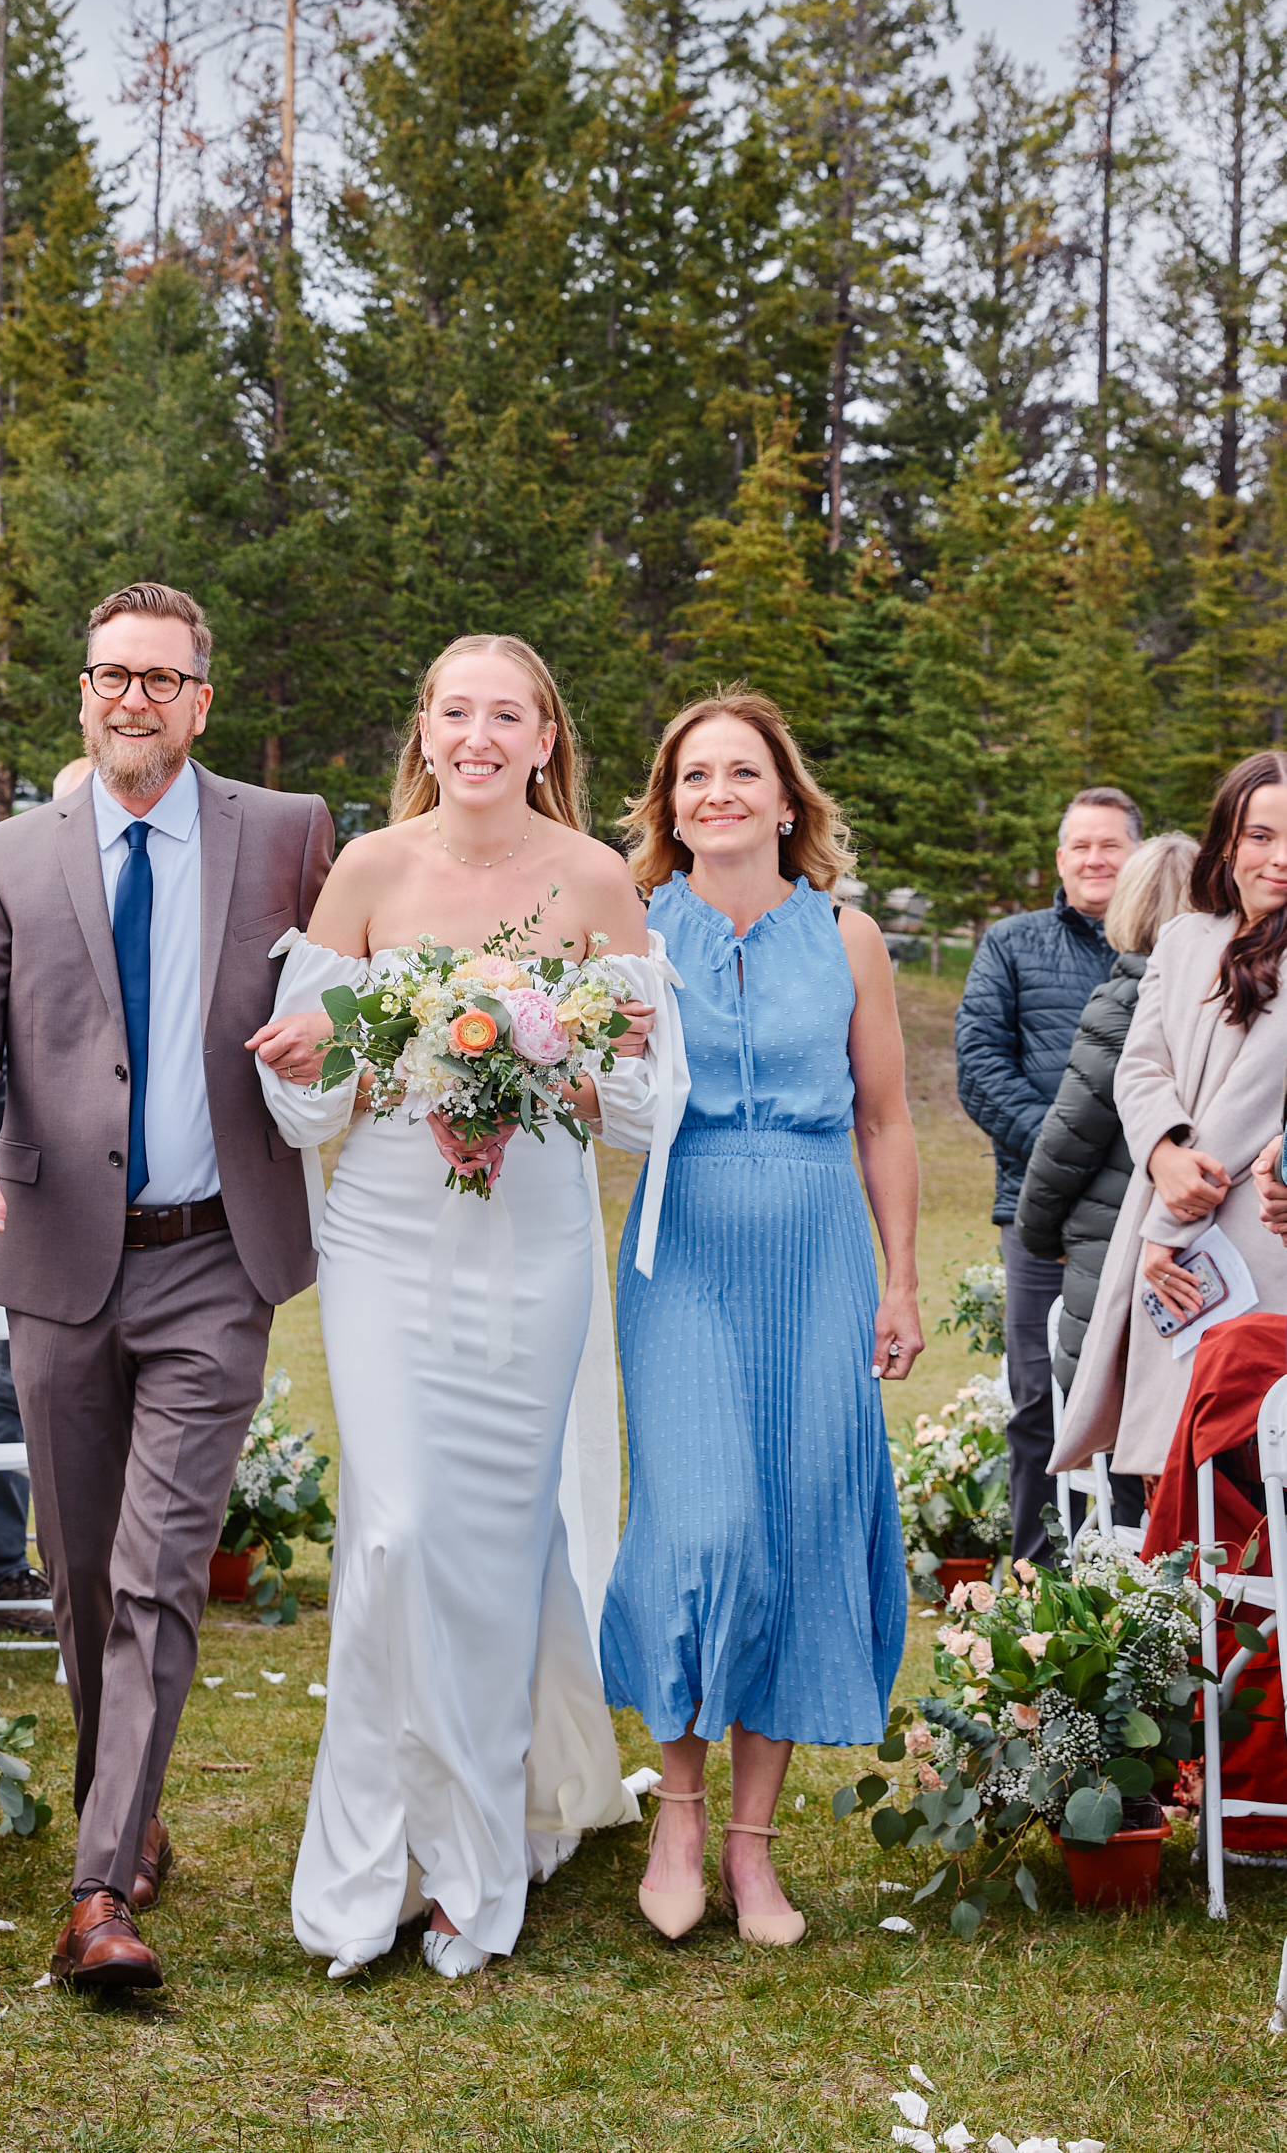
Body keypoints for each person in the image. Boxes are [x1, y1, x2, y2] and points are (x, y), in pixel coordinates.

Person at [0, 581, 334, 1992]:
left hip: (220, 1253)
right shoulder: (7, 855)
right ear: (83, 695)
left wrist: (339, 1026)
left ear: (201, 701)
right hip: (54, 1259)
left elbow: (359, 982)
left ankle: (97, 1893)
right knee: (80, 1577)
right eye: (113, 675)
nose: (135, 698)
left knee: (160, 1569)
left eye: (162, 678)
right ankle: (129, 1812)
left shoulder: (284, 834)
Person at [251, 633, 672, 1983]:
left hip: (533, 1246)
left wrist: (584, 1059)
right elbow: (303, 1099)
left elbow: (654, 1107)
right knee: (394, 1535)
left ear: (548, 738)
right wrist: (317, 1063)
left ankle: (477, 1863)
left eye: (510, 715)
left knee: (491, 1557)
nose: (479, 736)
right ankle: (367, 1862)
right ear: (422, 731)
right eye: (456, 712)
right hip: (384, 1231)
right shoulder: (368, 869)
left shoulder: (597, 878)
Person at [595, 688, 919, 1949]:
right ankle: (676, 1811)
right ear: (669, 807)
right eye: (692, 777)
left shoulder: (849, 939)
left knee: (793, 1527)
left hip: (819, 1248)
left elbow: (887, 1120)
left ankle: (752, 1847)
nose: (716, 793)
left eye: (741, 772)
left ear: (788, 799)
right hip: (681, 1248)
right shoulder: (631, 932)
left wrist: (898, 1277)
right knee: (702, 1524)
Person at [1054, 752, 1287, 1487]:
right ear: (1227, 842)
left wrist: (1171, 1225)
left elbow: (1255, 1092)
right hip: (1170, 1215)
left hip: (1254, 1235)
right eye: (1259, 836)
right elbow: (1140, 1064)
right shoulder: (1187, 940)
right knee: (1174, 1476)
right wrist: (1161, 1152)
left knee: (1246, 1460)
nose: (1279, 858)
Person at [954, 785, 1142, 1565]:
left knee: (1140, 1397)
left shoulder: (1178, 946)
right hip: (1039, 1213)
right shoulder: (1012, 942)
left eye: (1112, 845)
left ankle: (1140, 1571)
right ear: (1059, 859)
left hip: (1148, 1214)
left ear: (1138, 855)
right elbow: (980, 1068)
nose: (1095, 859)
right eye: (1081, 846)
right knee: (1040, 1398)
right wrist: (1071, 1158)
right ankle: (1040, 1579)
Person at [1015, 833, 1197, 1417]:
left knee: (1123, 1442)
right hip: (1207, 1252)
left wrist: (1038, 1235)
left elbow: (1068, 1139)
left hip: (1117, 1255)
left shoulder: (1124, 1000)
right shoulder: (1230, 998)